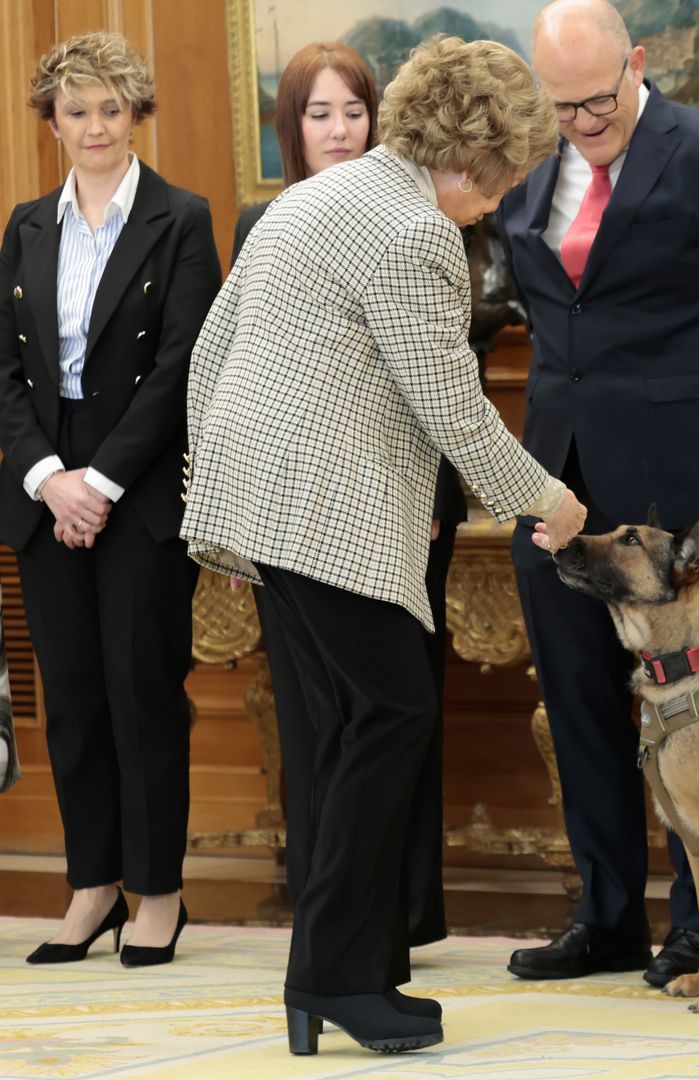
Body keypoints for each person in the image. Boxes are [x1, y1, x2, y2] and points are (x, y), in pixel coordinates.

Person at [181, 35, 586, 1055]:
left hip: (268, 498)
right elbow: (448, 403)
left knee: (356, 726)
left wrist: (221, 478)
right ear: (472, 154)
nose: (498, 204)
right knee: (394, 716)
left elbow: (216, 347)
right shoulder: (409, 229)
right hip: (321, 508)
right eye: (502, 182)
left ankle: (344, 972)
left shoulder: (315, 200)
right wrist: (546, 499)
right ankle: (330, 974)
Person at [498, 0, 699, 986]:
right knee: (581, 700)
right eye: (564, 109)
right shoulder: (531, 172)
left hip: (680, 489)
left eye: (599, 100)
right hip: (560, 481)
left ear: (635, 62)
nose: (584, 123)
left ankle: (698, 927)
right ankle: (606, 915)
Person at [230, 41, 457, 946]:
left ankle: (400, 920)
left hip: (411, 502)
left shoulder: (425, 211)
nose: (338, 129)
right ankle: (330, 932)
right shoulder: (266, 223)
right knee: (319, 720)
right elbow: (247, 371)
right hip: (294, 512)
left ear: (380, 117)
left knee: (403, 715)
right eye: (318, 114)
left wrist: (438, 489)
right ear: (292, 126)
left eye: (353, 111)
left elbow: (443, 378)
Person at [0, 31, 220, 965]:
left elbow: (183, 367)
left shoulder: (181, 216)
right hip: (48, 486)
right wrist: (50, 479)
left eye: (111, 107)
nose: (95, 125)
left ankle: (157, 892)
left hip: (138, 485)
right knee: (75, 700)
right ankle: (92, 887)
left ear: (136, 114)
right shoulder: (24, 225)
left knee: (142, 693)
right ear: (52, 121)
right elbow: (5, 372)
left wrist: (102, 480)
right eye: (76, 109)